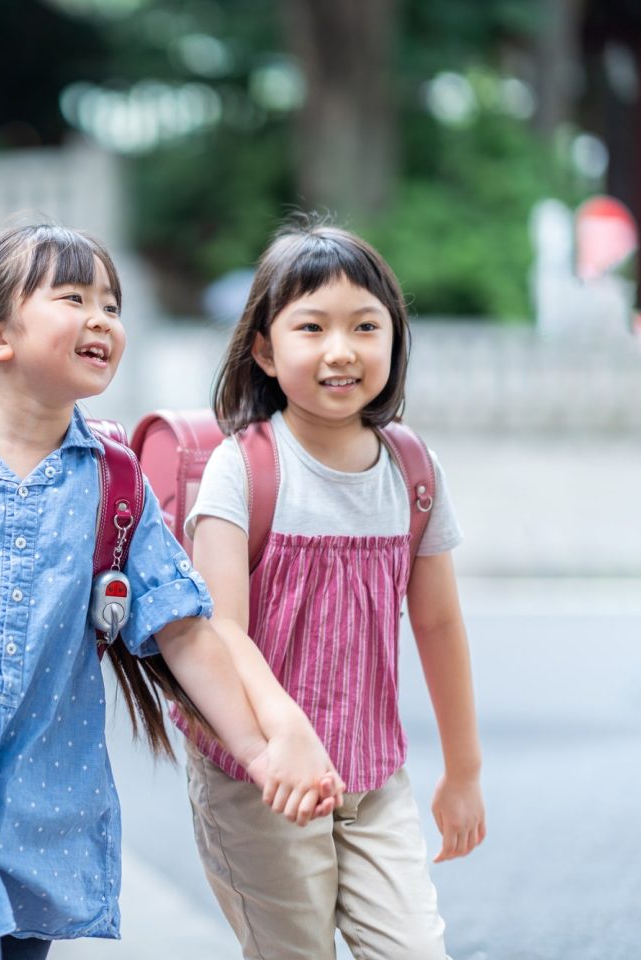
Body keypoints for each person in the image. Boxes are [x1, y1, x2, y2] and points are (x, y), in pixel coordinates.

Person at [0, 223, 341, 960]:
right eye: (73, 298)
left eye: (111, 304)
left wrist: (261, 753)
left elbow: (181, 629)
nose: (102, 319)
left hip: (48, 804)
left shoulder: (112, 477)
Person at [182, 217, 485, 960]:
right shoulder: (242, 467)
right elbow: (223, 630)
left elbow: (439, 624)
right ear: (263, 346)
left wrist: (464, 769)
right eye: (311, 327)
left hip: (373, 777)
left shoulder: (411, 470)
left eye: (365, 326)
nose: (341, 350)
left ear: (393, 339)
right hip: (261, 785)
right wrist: (286, 733)